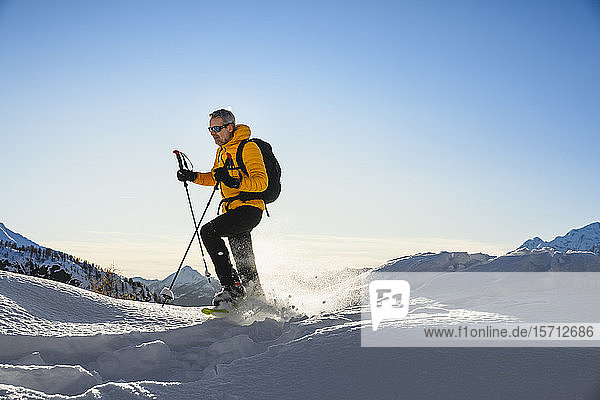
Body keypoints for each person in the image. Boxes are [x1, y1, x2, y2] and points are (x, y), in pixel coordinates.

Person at [177, 109, 267, 307]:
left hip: (249, 208)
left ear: (230, 127)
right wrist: (192, 176)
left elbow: (261, 182)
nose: (213, 133)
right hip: (233, 210)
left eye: (217, 128)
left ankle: (231, 288)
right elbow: (215, 178)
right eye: (210, 129)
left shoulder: (248, 147)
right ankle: (257, 301)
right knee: (243, 261)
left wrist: (234, 182)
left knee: (208, 231)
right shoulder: (222, 151)